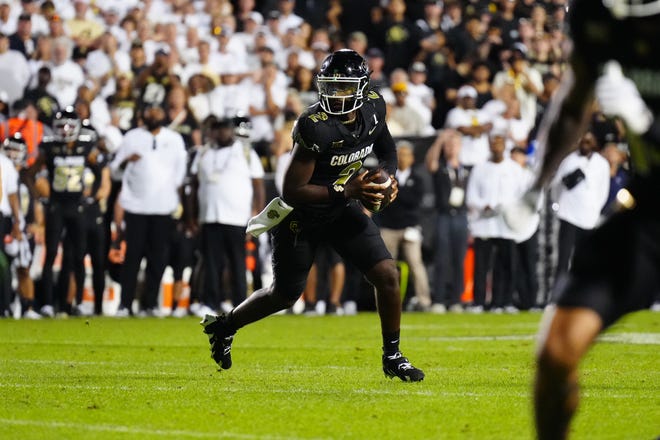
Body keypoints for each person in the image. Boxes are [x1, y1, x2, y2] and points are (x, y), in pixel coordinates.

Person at [200, 49, 424, 382]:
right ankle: (225, 326)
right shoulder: (314, 125)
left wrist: (388, 175)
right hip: (301, 215)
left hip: (342, 208)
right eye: (331, 87)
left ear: (362, 88)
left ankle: (392, 355)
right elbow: (292, 190)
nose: (336, 95)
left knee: (388, 275)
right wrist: (348, 191)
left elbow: (386, 146)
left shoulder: (375, 106)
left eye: (345, 88)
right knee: (285, 294)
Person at [502, 2, 660, 438]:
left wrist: (646, 126)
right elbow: (574, 105)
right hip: (647, 214)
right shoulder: (601, 16)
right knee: (555, 354)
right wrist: (535, 186)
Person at [110, 103, 187, 317]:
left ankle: (150, 304)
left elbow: (180, 175)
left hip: (163, 208)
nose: (154, 114)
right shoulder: (131, 137)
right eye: (150, 110)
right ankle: (125, 304)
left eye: (158, 110)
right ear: (143, 114)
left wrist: (176, 204)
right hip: (135, 207)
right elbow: (114, 171)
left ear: (164, 114)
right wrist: (126, 161)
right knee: (132, 258)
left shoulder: (174, 139)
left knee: (157, 260)